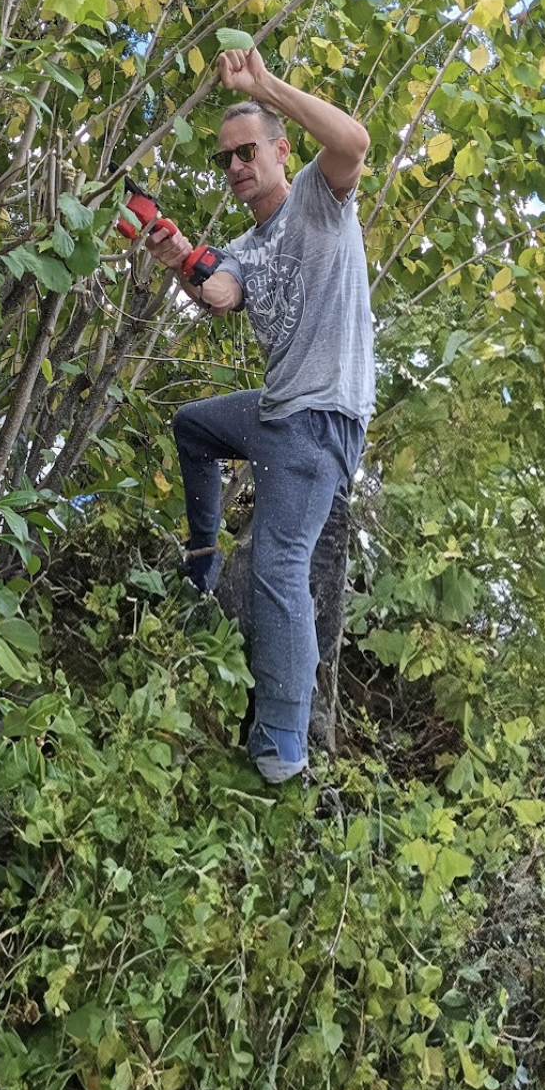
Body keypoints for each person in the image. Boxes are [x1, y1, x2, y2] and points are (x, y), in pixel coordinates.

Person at [148, 45, 375, 785]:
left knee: (280, 562)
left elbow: (354, 143)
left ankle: (283, 745)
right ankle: (201, 566)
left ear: (280, 151)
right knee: (192, 427)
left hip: (323, 419)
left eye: (248, 151)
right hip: (277, 411)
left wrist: (265, 84)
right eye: (226, 158)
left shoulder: (318, 197)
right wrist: (179, 258)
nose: (237, 166)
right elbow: (220, 295)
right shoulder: (245, 245)